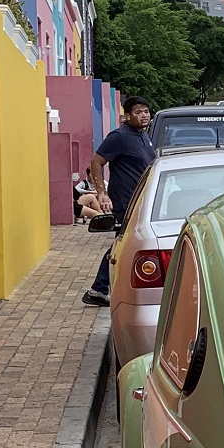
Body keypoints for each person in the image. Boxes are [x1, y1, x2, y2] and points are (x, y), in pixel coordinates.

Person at [82, 97, 155, 306]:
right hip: (126, 201)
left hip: (142, 200)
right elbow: (96, 161)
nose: (143, 116)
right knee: (123, 243)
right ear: (127, 116)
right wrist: (101, 193)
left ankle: (101, 288)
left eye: (146, 111)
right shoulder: (119, 137)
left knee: (123, 243)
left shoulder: (144, 137)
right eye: (138, 112)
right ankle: (99, 288)